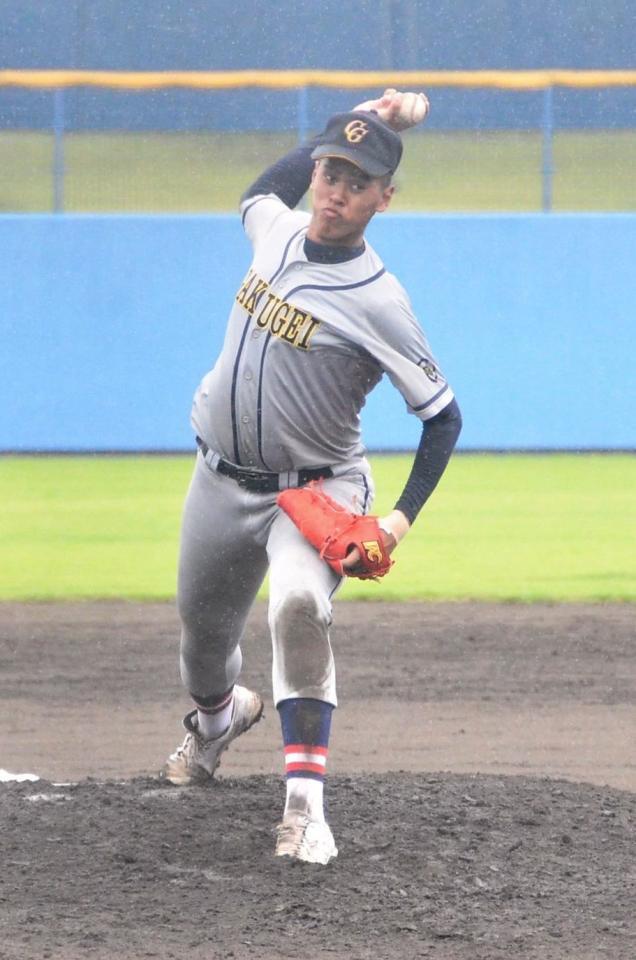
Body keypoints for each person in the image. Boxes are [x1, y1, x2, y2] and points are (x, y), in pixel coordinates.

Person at [164, 90, 462, 865]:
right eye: (329, 169)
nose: (333, 189)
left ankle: (306, 810)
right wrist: (363, 112)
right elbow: (261, 190)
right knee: (202, 648)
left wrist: (396, 520)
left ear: (382, 199)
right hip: (221, 480)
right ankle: (219, 718)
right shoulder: (277, 230)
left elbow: (443, 416)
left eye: (354, 180)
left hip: (314, 493)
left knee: (297, 608)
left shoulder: (381, 300)